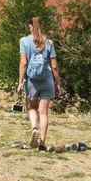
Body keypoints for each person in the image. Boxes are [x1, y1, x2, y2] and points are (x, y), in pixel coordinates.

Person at [18, 17, 61, 152]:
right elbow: (54, 66)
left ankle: (34, 128)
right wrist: (57, 84)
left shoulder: (24, 41)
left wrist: (20, 82)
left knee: (32, 107)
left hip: (31, 81)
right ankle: (42, 144)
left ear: (30, 27)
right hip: (47, 80)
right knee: (44, 113)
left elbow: (24, 63)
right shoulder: (48, 42)